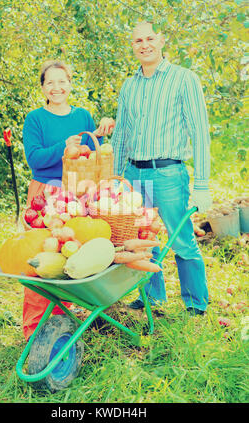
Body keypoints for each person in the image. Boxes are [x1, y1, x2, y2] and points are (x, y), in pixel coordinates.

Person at [111, 21, 212, 316]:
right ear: (133, 46)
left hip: (168, 173)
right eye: (137, 40)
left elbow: (200, 132)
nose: (144, 45)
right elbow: (121, 136)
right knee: (141, 241)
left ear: (162, 41)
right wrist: (117, 180)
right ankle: (152, 298)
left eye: (149, 39)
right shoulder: (129, 86)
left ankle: (195, 304)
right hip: (133, 174)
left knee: (181, 239)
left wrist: (202, 184)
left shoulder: (184, 79)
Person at [22, 59, 113, 341]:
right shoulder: (35, 119)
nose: (57, 87)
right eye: (50, 82)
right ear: (43, 87)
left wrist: (100, 131)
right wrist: (64, 146)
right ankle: (35, 328)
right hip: (45, 195)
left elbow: (90, 153)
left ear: (70, 84)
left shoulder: (82, 115)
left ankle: (62, 321)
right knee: (40, 260)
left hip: (76, 194)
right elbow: (34, 158)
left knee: (71, 257)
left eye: (62, 81)